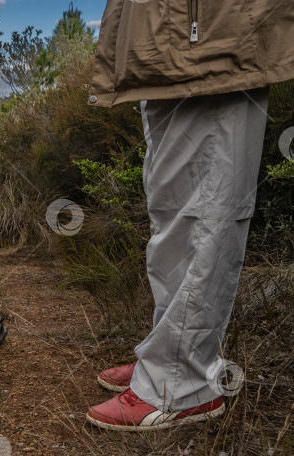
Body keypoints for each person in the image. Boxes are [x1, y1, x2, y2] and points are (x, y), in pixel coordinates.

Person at [83, 0, 294, 430]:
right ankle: (168, 356)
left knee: (203, 214)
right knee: (173, 218)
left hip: (214, 37)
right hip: (168, 40)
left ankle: (180, 384)